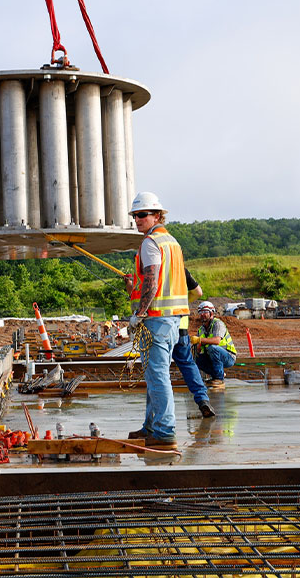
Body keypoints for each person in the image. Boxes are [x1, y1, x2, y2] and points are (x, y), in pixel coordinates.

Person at [123, 191, 189, 447]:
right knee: (154, 374)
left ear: (157, 215)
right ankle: (151, 425)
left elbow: (151, 280)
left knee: (158, 375)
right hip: (172, 320)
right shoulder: (171, 242)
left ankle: (163, 431)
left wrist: (139, 315)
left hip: (157, 319)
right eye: (135, 216)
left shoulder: (151, 243)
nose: (138, 220)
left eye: (142, 215)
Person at [174, 268, 216, 418]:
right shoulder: (181, 271)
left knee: (158, 370)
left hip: (161, 327)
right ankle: (202, 399)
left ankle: (156, 419)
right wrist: (184, 302)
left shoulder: (155, 267)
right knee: (188, 364)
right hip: (181, 328)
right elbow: (198, 292)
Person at [194, 300, 237, 388]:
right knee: (196, 359)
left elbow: (217, 341)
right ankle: (218, 374)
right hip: (213, 356)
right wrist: (196, 347)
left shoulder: (218, 324)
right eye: (201, 312)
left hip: (228, 356)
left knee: (212, 347)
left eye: (205, 312)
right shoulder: (201, 329)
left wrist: (199, 339)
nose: (202, 314)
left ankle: (219, 379)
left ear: (211, 313)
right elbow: (200, 350)